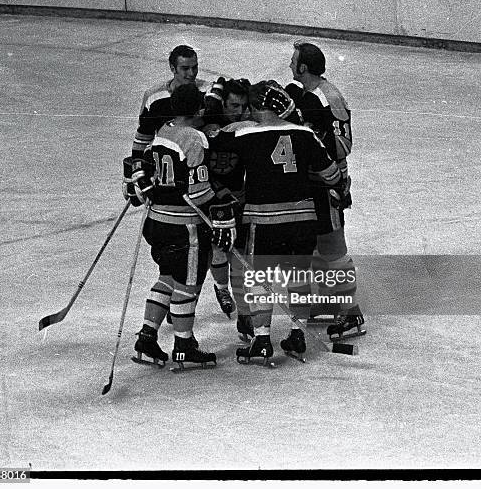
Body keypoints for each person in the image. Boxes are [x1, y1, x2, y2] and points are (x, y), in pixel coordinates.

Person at [209, 81, 343, 364]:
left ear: (256, 107)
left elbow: (210, 142)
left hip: (263, 219)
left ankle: (261, 339)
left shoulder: (243, 133)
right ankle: (297, 334)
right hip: (303, 219)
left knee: (260, 278)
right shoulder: (305, 134)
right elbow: (332, 175)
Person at [126, 84, 237, 370]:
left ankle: (147, 338)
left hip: (156, 223)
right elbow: (199, 192)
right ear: (198, 109)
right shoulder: (193, 138)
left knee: (167, 279)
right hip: (183, 226)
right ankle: (184, 346)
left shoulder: (163, 131)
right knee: (188, 285)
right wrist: (222, 208)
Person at [285, 41, 366, 341]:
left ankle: (352, 314)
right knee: (319, 243)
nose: (290, 65)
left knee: (333, 246)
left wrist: (312, 144)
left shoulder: (325, 98)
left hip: (327, 184)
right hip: (315, 182)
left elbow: (343, 145)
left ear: (304, 67)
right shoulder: (309, 94)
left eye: (293, 61)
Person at [202, 78, 251, 323]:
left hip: (238, 196)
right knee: (217, 249)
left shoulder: (247, 124)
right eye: (233, 106)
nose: (238, 111)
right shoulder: (206, 125)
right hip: (212, 197)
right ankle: (221, 289)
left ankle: (242, 307)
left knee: (240, 251)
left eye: (242, 106)